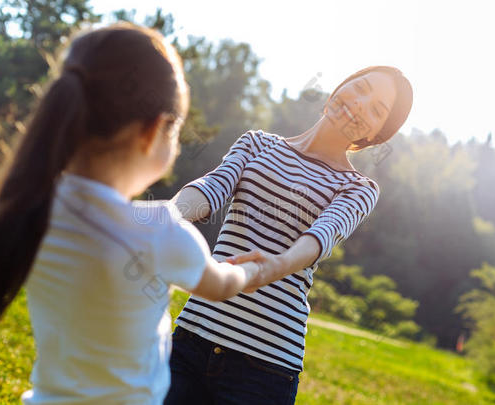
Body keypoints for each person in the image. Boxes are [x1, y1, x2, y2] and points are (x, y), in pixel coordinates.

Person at [0, 23, 261, 404]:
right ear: (155, 129)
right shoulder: (158, 229)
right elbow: (220, 285)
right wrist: (256, 269)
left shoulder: (33, 205)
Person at [165, 66, 413, 404]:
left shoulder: (357, 187)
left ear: (375, 135)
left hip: (264, 369)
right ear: (339, 87)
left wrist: (275, 266)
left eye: (376, 110)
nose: (359, 104)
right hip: (191, 340)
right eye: (361, 89)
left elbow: (320, 237)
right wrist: (165, 216)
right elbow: (213, 187)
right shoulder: (257, 143)